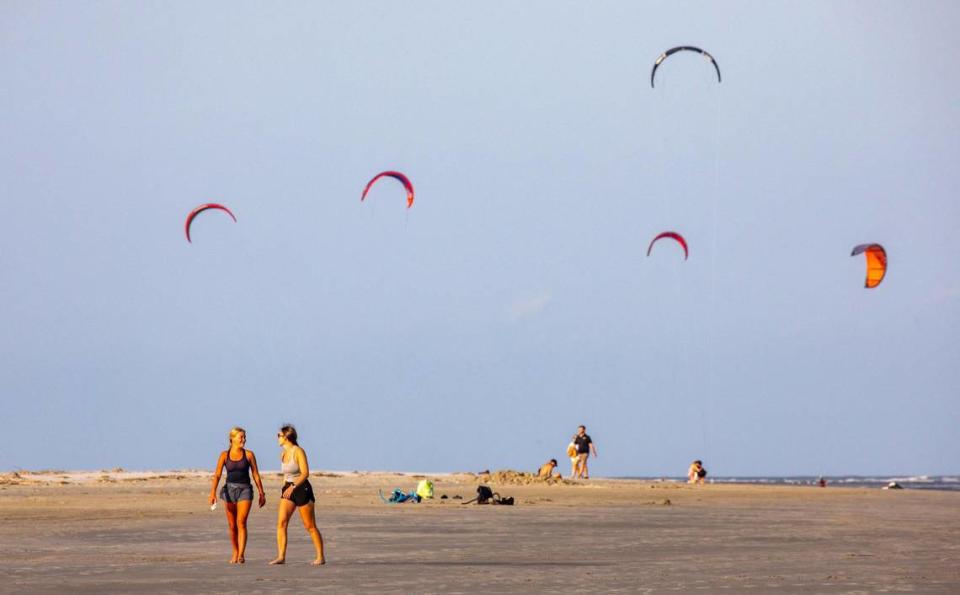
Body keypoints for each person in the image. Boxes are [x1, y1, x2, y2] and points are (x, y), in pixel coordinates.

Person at [269, 425, 326, 566]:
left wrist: (294, 486)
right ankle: (281, 556)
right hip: (288, 489)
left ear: (286, 437)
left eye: (279, 435)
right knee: (281, 523)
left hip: (301, 488)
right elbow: (286, 475)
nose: (277, 438)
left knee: (310, 526)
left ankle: (320, 557)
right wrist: (285, 489)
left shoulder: (298, 451)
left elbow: (305, 473)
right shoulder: (282, 454)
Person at [208, 427, 266, 564]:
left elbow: (256, 475)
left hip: (245, 490)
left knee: (241, 522)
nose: (244, 440)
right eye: (241, 437)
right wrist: (212, 493)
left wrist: (261, 493)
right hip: (229, 491)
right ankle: (235, 551)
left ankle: (241, 554)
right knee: (232, 525)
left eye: (244, 437)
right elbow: (217, 475)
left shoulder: (249, 455)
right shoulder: (224, 455)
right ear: (232, 439)